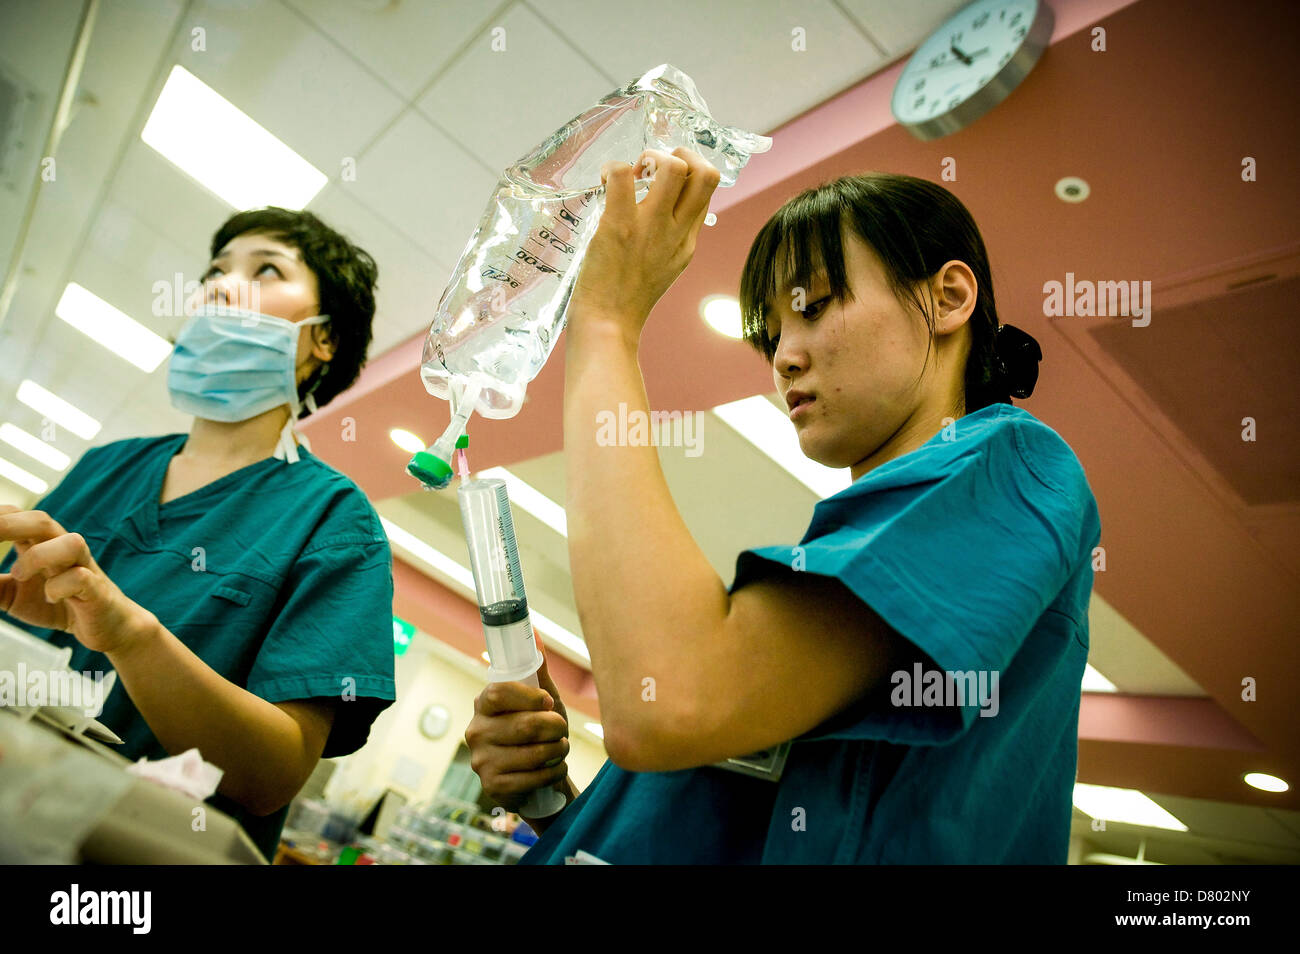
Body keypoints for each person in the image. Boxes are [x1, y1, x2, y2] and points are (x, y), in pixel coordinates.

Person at [465, 154, 1101, 864]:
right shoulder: (829, 580)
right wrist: (556, 803)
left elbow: (672, 701)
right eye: (770, 335)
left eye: (815, 306)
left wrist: (606, 323)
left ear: (949, 298)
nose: (784, 358)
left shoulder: (1016, 467)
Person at [0, 207, 397, 862]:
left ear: (322, 338)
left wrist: (132, 636)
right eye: (214, 272)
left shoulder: (334, 522)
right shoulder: (108, 466)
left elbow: (270, 777)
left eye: (265, 270)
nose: (219, 286)